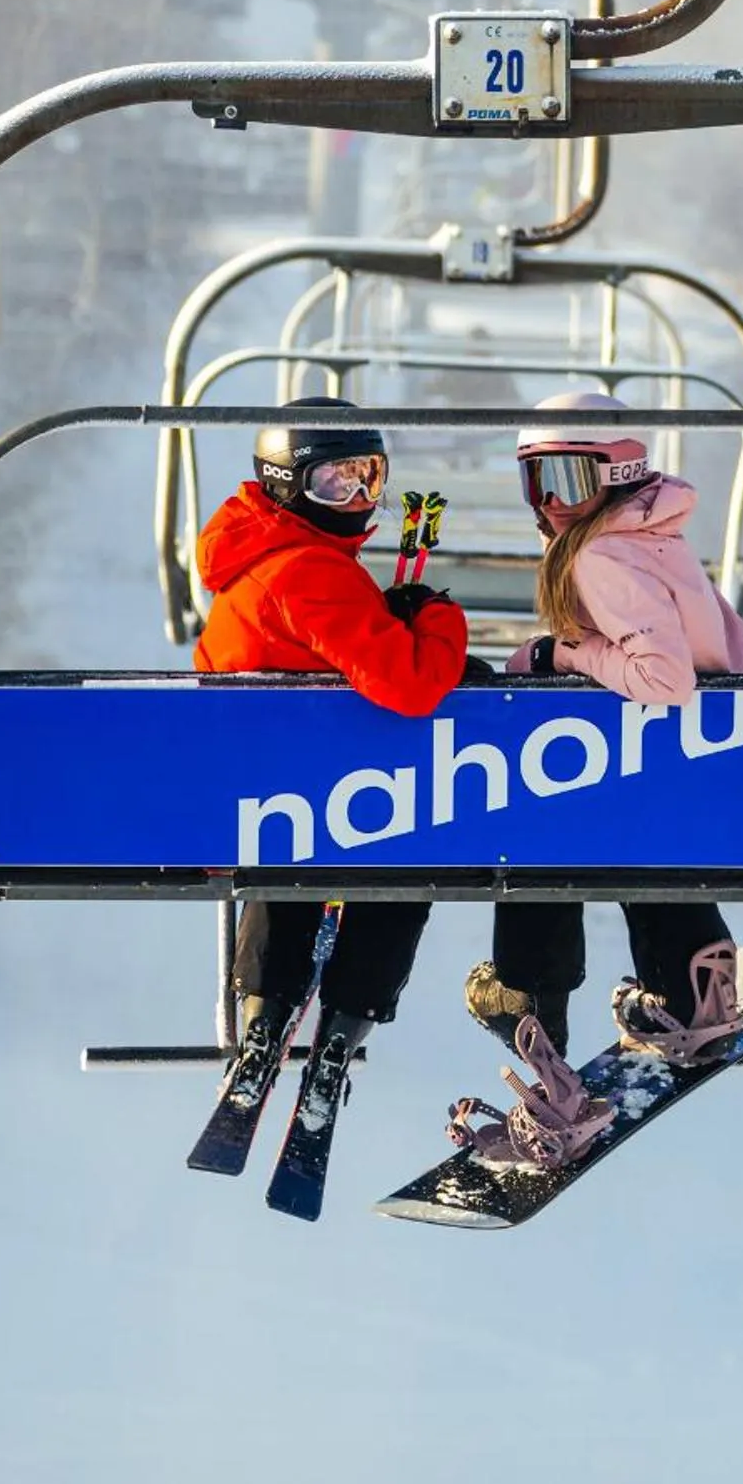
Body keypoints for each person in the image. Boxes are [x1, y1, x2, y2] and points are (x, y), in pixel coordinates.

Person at [452, 392, 743, 1163]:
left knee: (533, 841)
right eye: (537, 482)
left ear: (616, 473)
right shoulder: (661, 540)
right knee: (638, 846)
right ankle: (695, 994)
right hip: (696, 770)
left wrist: (561, 656)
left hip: (650, 761)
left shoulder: (598, 553)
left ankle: (550, 1075)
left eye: (569, 480)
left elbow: (661, 678)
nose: (552, 503)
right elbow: (733, 658)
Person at [194, 401, 468, 1131]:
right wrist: (436, 617)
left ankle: (265, 1028)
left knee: (293, 866)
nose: (358, 500)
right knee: (408, 861)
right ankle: (337, 1040)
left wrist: (383, 617)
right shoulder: (311, 569)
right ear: (285, 484)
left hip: (263, 798)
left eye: (368, 480)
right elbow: (410, 685)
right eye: (335, 483)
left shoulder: (255, 564)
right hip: (326, 802)